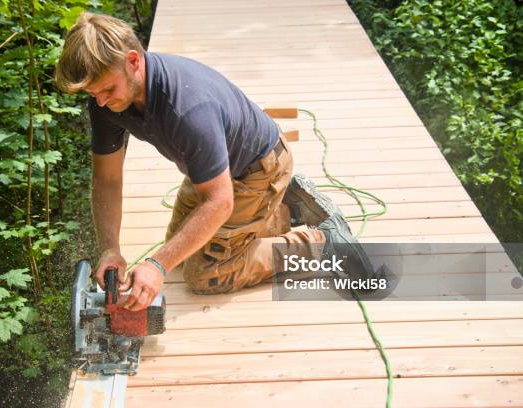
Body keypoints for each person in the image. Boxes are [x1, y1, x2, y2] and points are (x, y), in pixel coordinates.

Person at [55, 12, 376, 311]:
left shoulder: (187, 108)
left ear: (133, 61)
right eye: (93, 93)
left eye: (107, 89)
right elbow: (107, 179)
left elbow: (219, 202)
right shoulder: (106, 102)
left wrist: (155, 265)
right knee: (179, 252)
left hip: (256, 171)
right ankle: (283, 209)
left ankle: (320, 241)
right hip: (212, 171)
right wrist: (110, 248)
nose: (100, 101)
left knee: (207, 274)